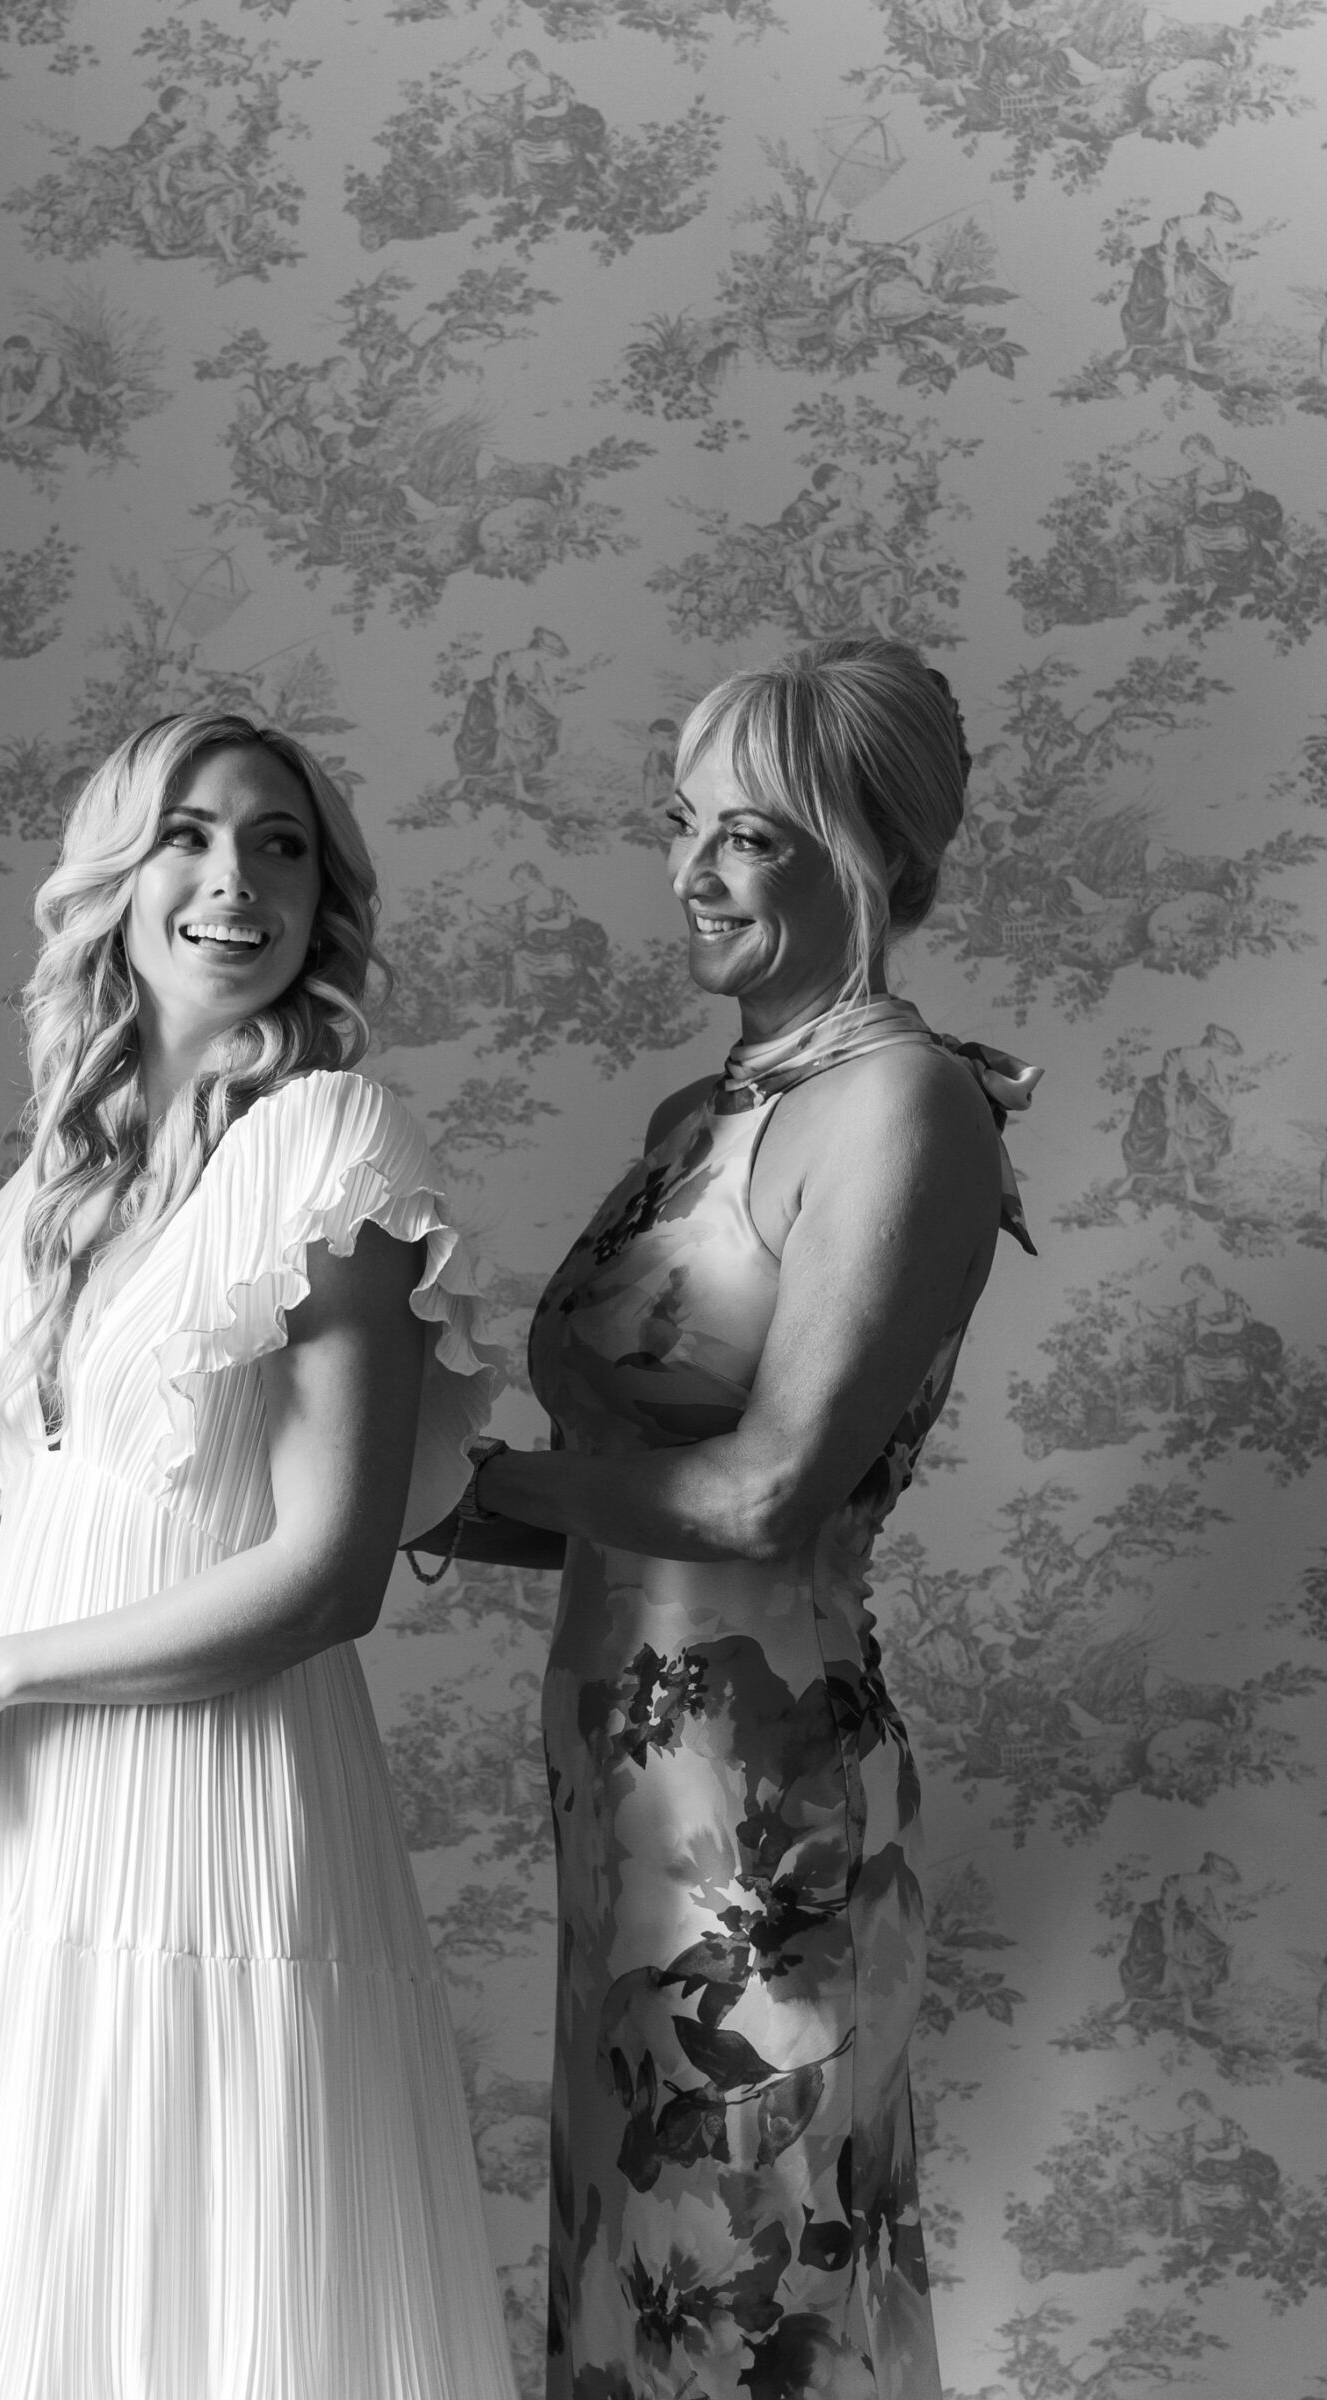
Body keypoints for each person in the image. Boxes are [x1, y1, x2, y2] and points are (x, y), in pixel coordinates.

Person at [0, 713, 516, 2397]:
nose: (232, 880)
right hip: (41, 1835)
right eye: (189, 835)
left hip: (222, 1809)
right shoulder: (69, 1172)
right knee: (15, 2288)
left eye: (279, 846)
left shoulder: (337, 1144)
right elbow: (58, 1509)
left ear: (321, 899)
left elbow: (325, 1578)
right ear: (118, 873)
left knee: (224, 2288)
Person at [412, 639, 1038, 2396]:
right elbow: (625, 1500)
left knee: (758, 2298)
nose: (693, 871)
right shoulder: (703, 1112)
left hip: (769, 1815)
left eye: (752, 835)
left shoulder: (903, 1104)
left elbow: (766, 1494)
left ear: (874, 852)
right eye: (682, 822)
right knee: (636, 2291)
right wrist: (394, 1496)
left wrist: (453, 1486)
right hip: (621, 1780)